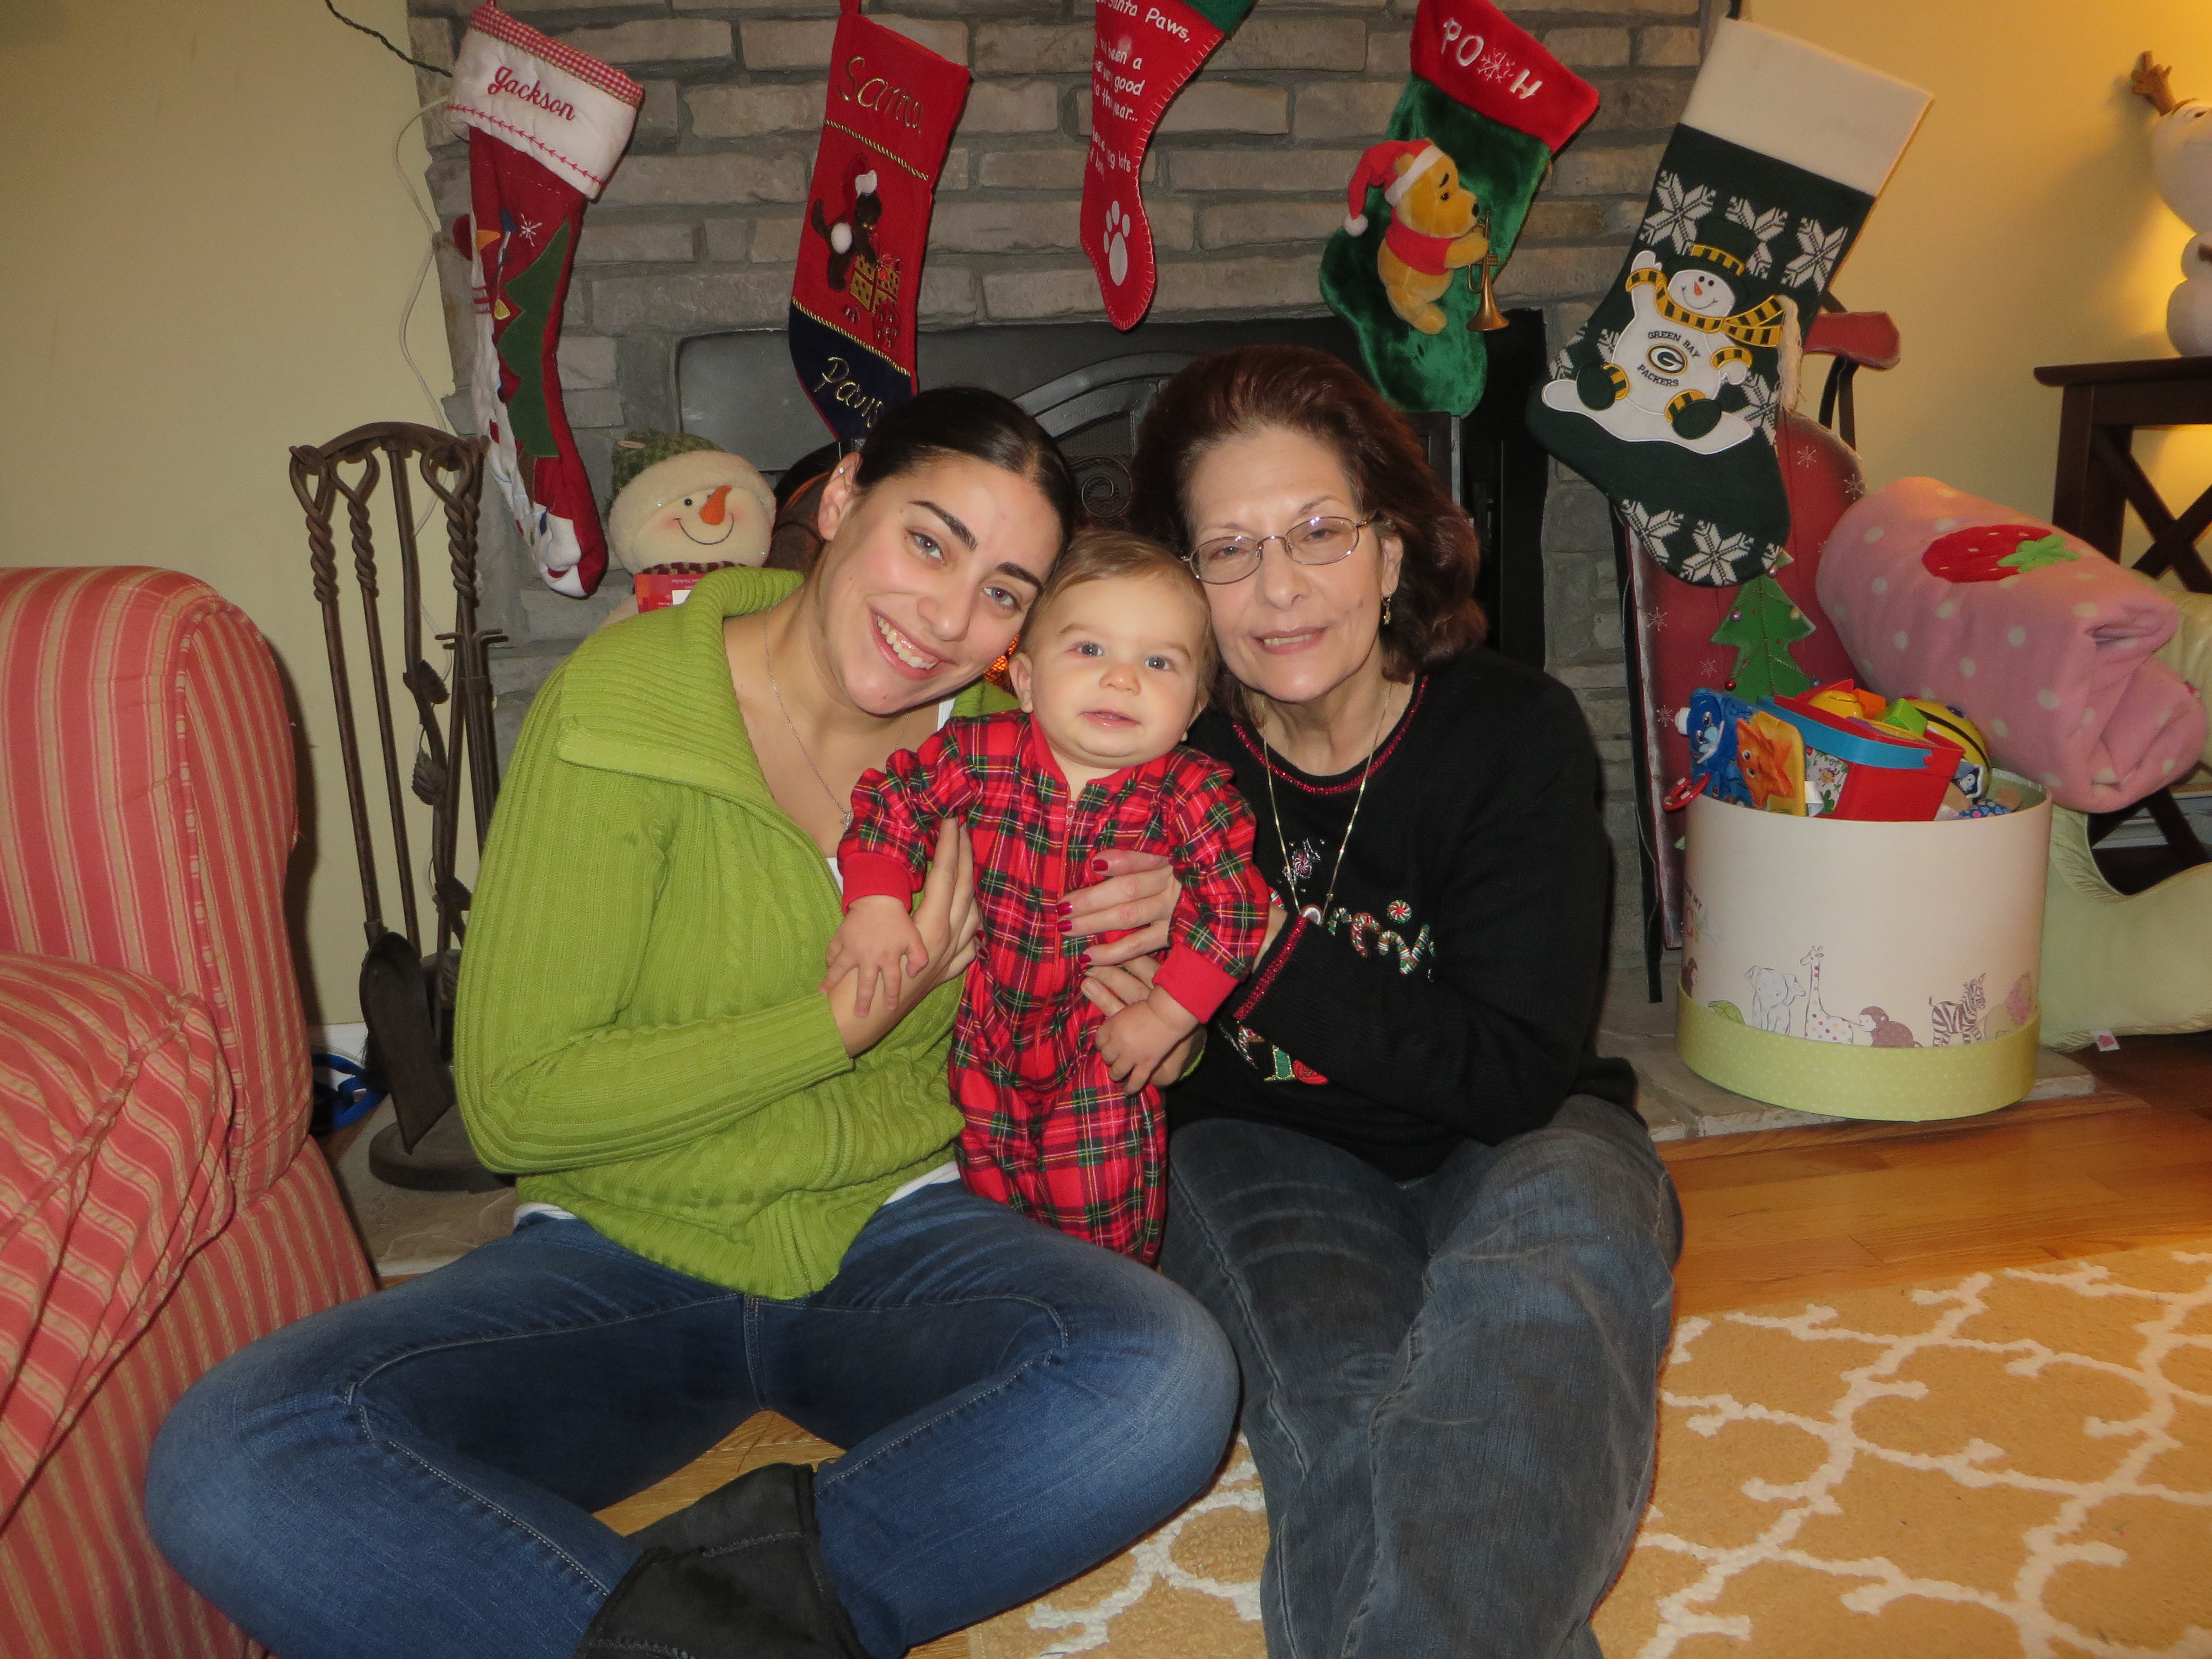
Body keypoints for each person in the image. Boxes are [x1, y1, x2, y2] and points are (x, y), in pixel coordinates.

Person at [144, 388, 1238, 1659]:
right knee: (236, 1454)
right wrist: (827, 1027)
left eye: (1003, 592)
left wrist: (1153, 990)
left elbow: (1093, 1029)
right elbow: (512, 1106)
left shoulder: (1027, 750)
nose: (947, 617)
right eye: (927, 541)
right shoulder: (622, 708)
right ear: (840, 499)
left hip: (896, 1239)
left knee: (1163, 1375)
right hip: (618, 1262)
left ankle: (670, 1632)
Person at [1091, 344, 1683, 1659]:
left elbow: (1513, 1073)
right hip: (1262, 1148)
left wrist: (1243, 946)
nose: (1279, 587)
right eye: (1227, 551)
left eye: (1317, 532)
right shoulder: (1150, 758)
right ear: (1180, 583)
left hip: (1521, 1131)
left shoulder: (1510, 733)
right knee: (1346, 1400)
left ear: (1391, 549)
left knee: (1540, 1306)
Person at [827, 528, 1270, 1262]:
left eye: (1158, 662)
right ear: (1027, 680)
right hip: (980, 1037)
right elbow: (893, 801)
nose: (1122, 680)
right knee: (986, 1226)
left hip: (1104, 1042)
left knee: (1103, 1225)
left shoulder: (1191, 795)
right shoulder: (979, 754)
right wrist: (876, 902)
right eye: (1090, 649)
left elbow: (1236, 911)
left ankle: (1107, 1301)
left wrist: (1166, 1017)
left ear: (1194, 707)